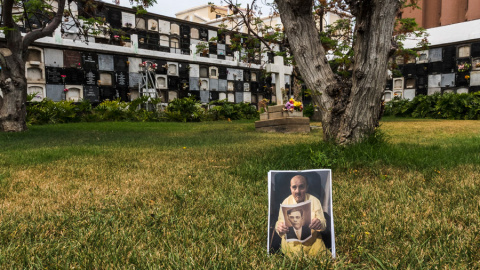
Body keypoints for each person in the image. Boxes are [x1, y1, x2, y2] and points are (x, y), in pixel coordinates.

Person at [275, 175, 329, 257]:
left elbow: (323, 224)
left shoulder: (315, 201)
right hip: (292, 244)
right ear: (290, 189)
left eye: (301, 187)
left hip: (313, 242)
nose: (297, 191)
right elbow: (279, 223)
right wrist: (279, 228)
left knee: (326, 261)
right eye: (294, 187)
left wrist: (319, 224)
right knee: (298, 264)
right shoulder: (285, 202)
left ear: (307, 188)